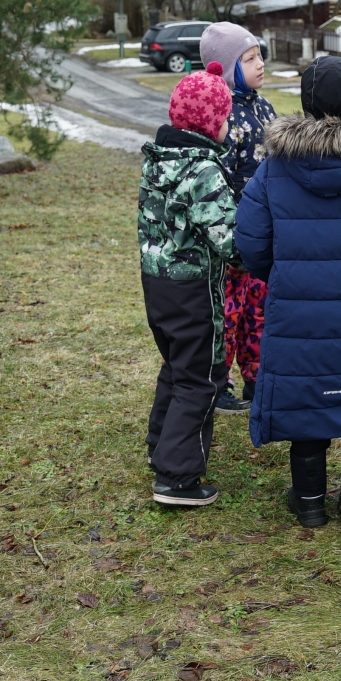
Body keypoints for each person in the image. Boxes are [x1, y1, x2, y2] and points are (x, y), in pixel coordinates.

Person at [235, 56, 341, 527]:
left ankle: (310, 502)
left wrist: (281, 274)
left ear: (307, 102)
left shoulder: (275, 170)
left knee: (305, 389)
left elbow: (251, 241)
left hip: (298, 307)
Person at [138, 62, 240, 506]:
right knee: (203, 376)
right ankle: (177, 477)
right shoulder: (203, 171)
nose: (229, 125)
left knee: (178, 365)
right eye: (226, 118)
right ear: (210, 123)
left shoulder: (159, 160)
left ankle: (161, 444)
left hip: (157, 283)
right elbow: (230, 240)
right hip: (194, 288)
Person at [197, 22, 278, 414]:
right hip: (232, 236)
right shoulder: (222, 115)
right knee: (227, 313)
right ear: (228, 68)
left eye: (259, 55)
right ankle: (219, 382)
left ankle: (257, 376)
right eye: (249, 59)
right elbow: (218, 178)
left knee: (258, 310)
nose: (260, 64)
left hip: (264, 232)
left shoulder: (264, 107)